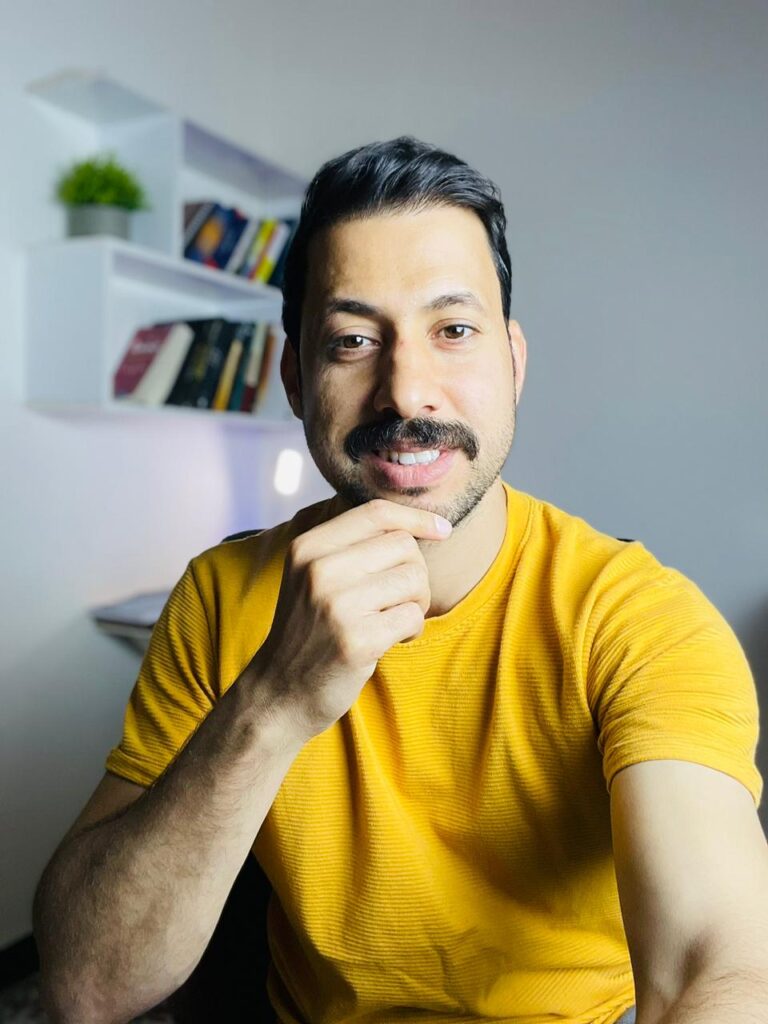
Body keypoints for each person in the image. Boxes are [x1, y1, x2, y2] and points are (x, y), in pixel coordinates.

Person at [33, 138, 767, 1024]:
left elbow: (717, 969)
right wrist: (273, 701)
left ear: (513, 362)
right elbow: (83, 986)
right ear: (296, 379)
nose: (406, 392)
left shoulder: (640, 619)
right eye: (352, 340)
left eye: (452, 331)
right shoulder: (222, 595)